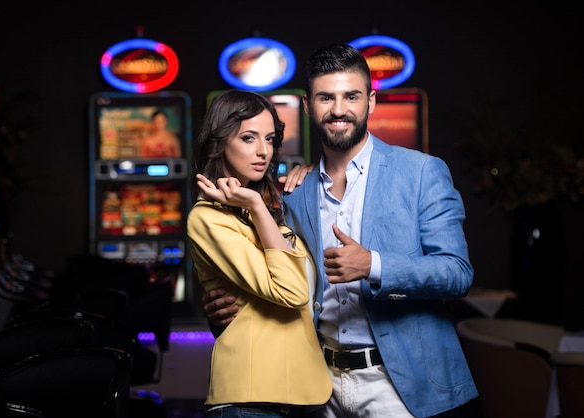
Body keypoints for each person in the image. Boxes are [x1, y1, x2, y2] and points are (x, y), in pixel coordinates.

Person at [202, 44, 479, 418]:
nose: (338, 109)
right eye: (325, 97)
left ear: (372, 102)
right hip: (317, 386)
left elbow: (456, 273)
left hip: (399, 385)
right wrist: (221, 310)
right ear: (307, 106)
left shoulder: (421, 172)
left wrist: (374, 264)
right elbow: (274, 278)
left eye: (351, 96)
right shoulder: (291, 193)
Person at [187, 89, 332, 417]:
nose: (263, 151)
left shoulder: (276, 205)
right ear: (221, 140)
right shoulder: (208, 216)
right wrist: (253, 204)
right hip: (250, 397)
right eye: (249, 138)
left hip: (298, 391)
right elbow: (292, 291)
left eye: (269, 139)